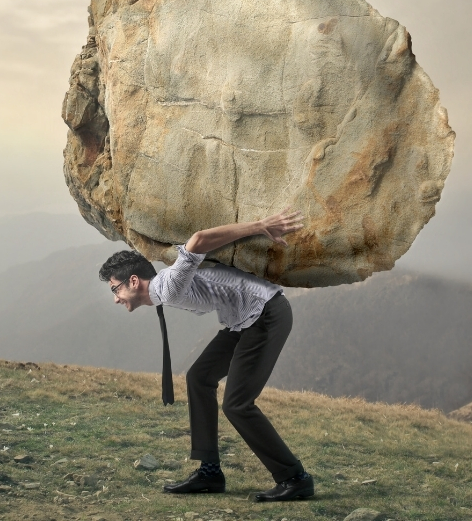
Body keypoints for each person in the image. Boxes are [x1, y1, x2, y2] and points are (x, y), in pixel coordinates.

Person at [98, 207, 314, 502]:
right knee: (199, 377)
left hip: (266, 314)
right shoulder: (164, 286)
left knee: (237, 405)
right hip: (241, 321)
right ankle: (210, 471)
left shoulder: (169, 287)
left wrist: (260, 225)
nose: (115, 299)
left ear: (133, 282)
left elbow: (198, 240)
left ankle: (294, 478)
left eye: (115, 289)